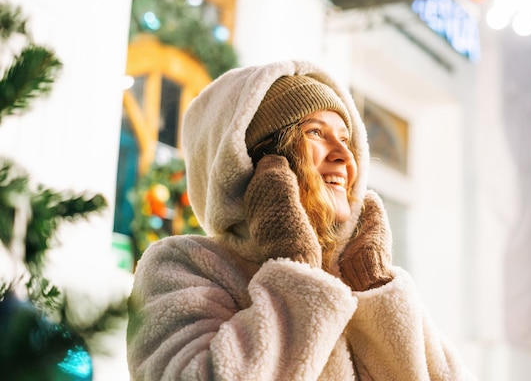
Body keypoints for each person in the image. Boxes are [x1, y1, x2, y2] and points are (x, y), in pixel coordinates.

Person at [126, 60, 476, 380]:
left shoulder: (353, 280)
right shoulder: (182, 266)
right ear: (259, 160)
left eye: (346, 139)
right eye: (315, 133)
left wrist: (373, 284)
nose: (343, 156)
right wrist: (295, 264)